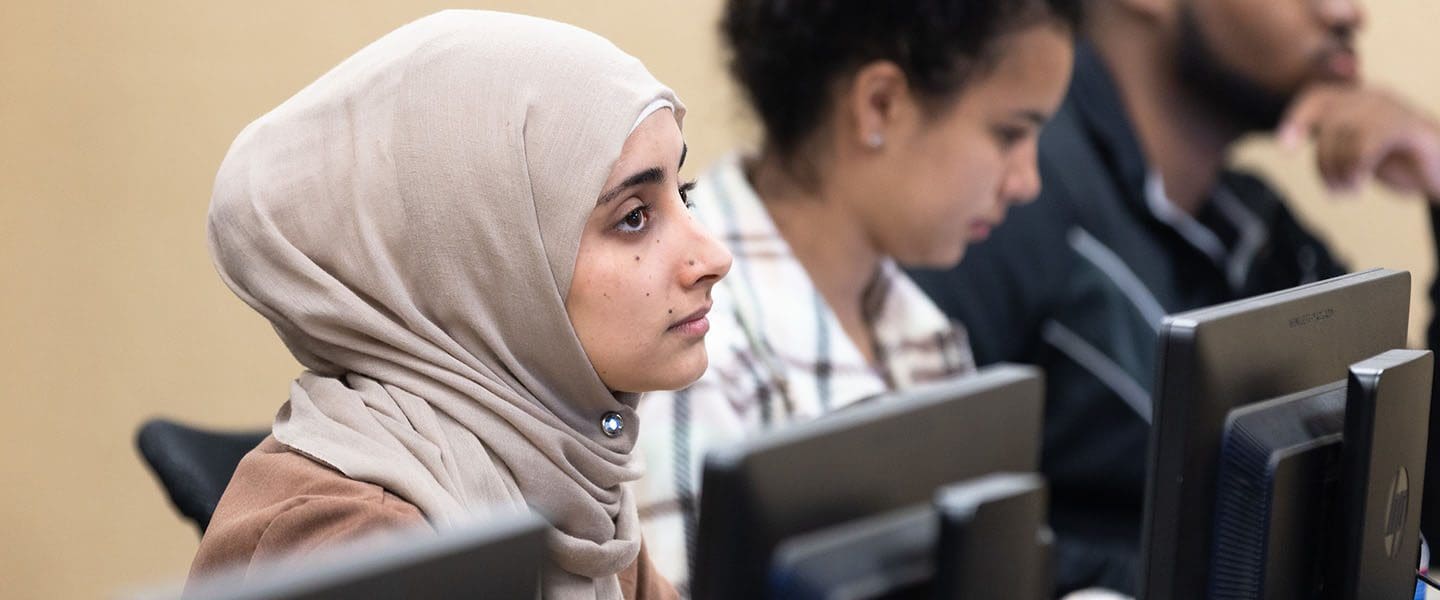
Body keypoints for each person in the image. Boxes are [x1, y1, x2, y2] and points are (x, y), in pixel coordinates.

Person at [185, 10, 732, 600]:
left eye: (683, 193)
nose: (712, 255)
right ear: (490, 261)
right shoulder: (351, 544)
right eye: (633, 217)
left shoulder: (566, 477)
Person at [908, 0, 1440, 593]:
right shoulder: (996, 209)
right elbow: (928, 545)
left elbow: (1416, 497)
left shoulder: (1251, 225)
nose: (1349, 12)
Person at [631, 0, 1080, 590]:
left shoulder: (915, 325)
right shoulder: (697, 350)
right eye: (1009, 133)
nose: (1028, 181)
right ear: (880, 105)